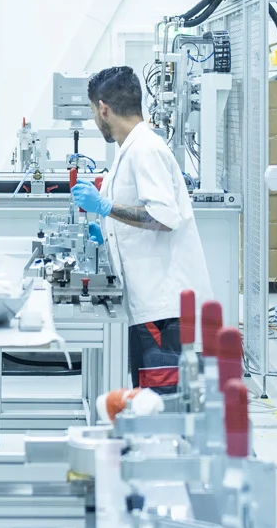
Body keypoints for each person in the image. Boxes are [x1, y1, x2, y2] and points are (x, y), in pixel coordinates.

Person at [70, 65, 211, 393]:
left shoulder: (145, 149)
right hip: (150, 304)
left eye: (94, 111)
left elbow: (163, 217)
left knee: (164, 407)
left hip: (165, 310)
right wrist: (105, 234)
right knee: (153, 401)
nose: (95, 119)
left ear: (104, 108)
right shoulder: (130, 149)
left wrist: (105, 208)